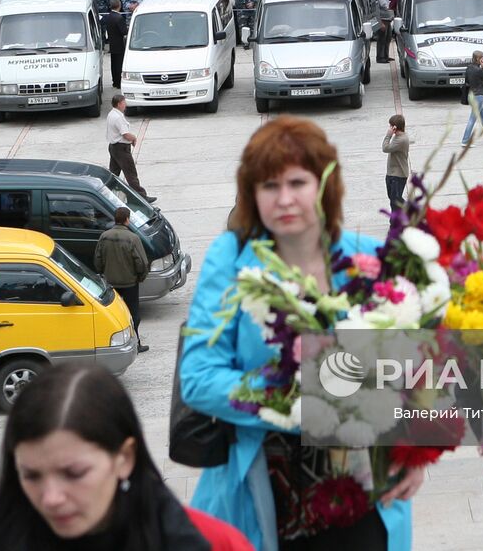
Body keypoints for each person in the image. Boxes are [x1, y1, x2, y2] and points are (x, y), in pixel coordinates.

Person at [180, 117, 419, 550]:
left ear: (324, 184)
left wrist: (412, 451)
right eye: (269, 186)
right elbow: (198, 378)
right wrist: (296, 401)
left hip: (362, 490)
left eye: (297, 182)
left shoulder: (369, 258)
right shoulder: (231, 258)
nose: (284, 199)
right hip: (268, 488)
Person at [0, 363, 250, 551]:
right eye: (31, 475)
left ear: (125, 458)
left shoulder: (218, 543)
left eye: (74, 473)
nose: (51, 498)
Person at [93, 207, 150, 353]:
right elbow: (142, 263)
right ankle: (136, 343)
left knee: (114, 314)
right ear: (127, 219)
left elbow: (98, 259)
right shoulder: (133, 238)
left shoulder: (104, 236)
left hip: (111, 283)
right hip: (130, 283)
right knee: (133, 314)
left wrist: (102, 273)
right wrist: (140, 277)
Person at [106, 94, 154, 202]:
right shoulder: (118, 117)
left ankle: (106, 192)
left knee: (114, 173)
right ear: (119, 104)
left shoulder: (111, 114)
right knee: (131, 173)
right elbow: (125, 134)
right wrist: (133, 138)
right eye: (124, 103)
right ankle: (140, 197)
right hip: (121, 148)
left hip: (113, 147)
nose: (125, 105)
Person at [460, 50, 483, 146]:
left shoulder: (468, 68)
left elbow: (467, 80)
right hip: (478, 96)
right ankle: (465, 141)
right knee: (472, 119)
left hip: (471, 95)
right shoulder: (479, 70)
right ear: (478, 59)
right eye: (482, 58)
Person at [382, 114, 411, 211]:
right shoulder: (398, 136)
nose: (389, 128)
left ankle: (395, 224)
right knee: (394, 199)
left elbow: (385, 148)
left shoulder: (401, 139)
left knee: (395, 202)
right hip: (391, 173)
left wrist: (388, 135)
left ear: (395, 127)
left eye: (391, 126)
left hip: (398, 175)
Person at [102, 0, 129, 89]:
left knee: (113, 64)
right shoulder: (119, 18)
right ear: (119, 5)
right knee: (119, 64)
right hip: (119, 44)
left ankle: (114, 81)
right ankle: (118, 82)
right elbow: (124, 31)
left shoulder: (108, 16)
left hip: (112, 44)